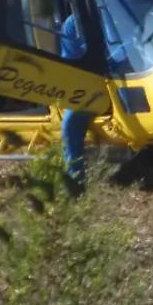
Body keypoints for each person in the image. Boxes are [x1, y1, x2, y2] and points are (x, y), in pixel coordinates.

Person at [59, 12, 91, 189]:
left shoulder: (124, 10)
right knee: (71, 125)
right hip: (95, 81)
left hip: (138, 74)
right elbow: (70, 63)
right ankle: (76, 182)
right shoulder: (73, 23)